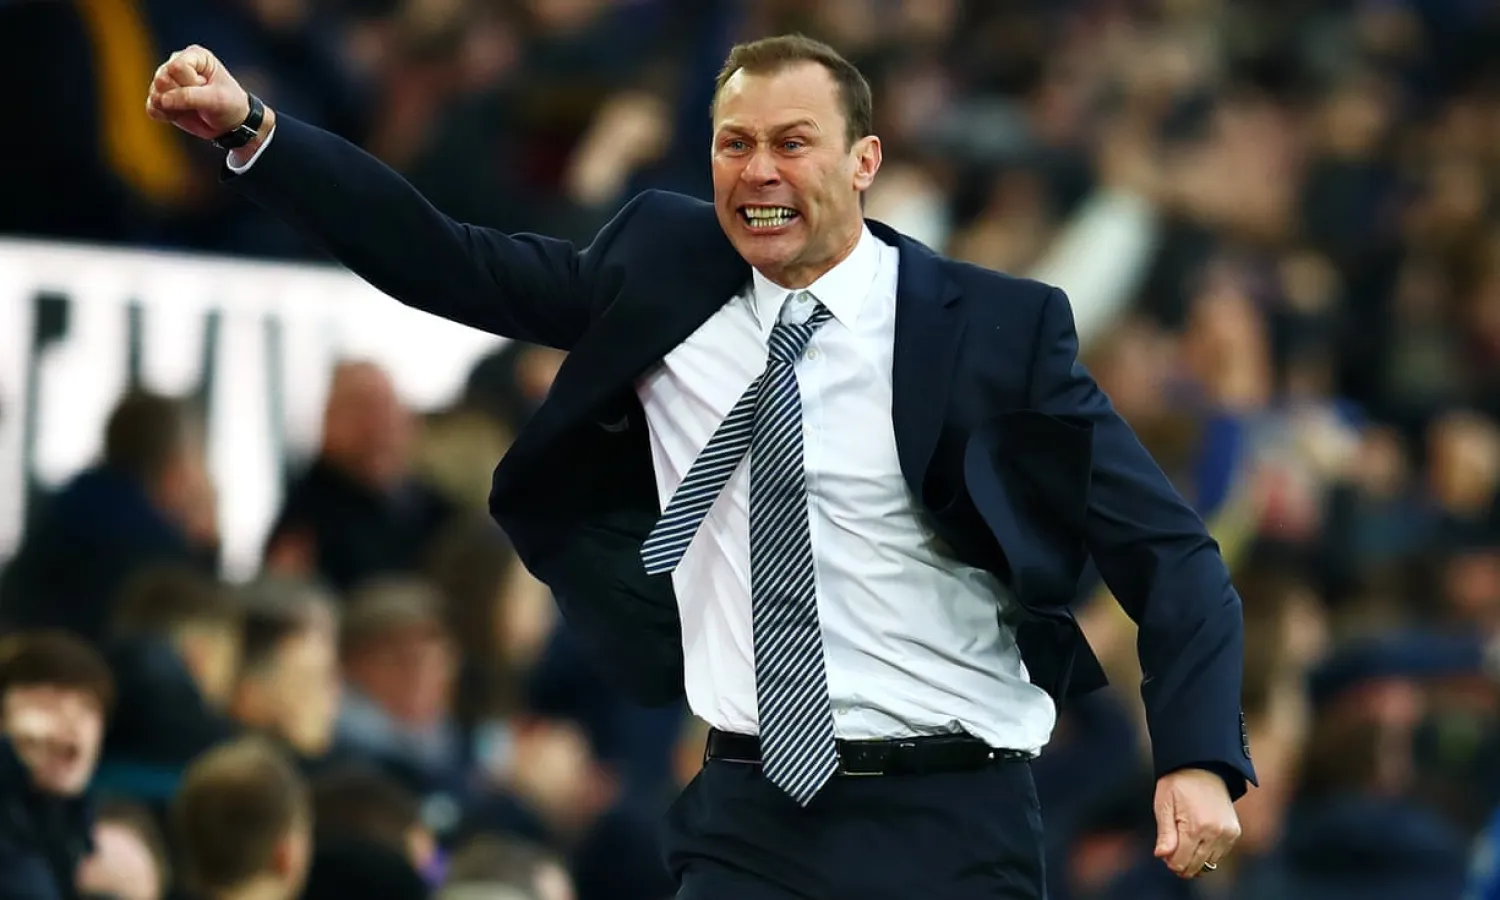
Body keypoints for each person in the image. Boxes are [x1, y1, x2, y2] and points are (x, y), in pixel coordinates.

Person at [146, 33, 1254, 898]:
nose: (758, 171)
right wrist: (257, 132)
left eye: (793, 143)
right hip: (749, 811)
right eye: (734, 144)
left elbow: (1169, 550)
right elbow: (450, 258)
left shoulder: (996, 330)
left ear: (864, 161)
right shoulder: (661, 271)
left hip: (956, 816)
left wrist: (1198, 755)